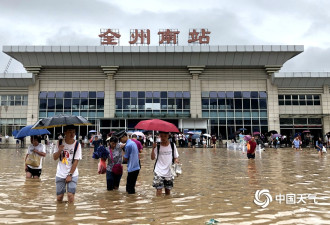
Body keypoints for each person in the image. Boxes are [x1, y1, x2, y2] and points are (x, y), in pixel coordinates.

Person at [53, 125, 82, 203]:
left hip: (73, 173)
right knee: (59, 197)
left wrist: (70, 174)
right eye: (70, 132)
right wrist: (59, 150)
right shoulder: (59, 142)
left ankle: (70, 214)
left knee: (70, 196)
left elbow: (76, 161)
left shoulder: (77, 145)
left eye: (74, 132)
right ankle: (60, 213)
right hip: (60, 173)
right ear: (65, 132)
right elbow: (54, 158)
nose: (72, 134)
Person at [151, 131, 179, 196]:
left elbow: (175, 157)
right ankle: (158, 204)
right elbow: (152, 158)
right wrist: (153, 148)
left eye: (165, 136)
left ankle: (167, 205)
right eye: (161, 136)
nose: (163, 138)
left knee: (168, 191)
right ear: (159, 136)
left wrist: (176, 161)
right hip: (159, 171)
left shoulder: (172, 145)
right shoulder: (157, 146)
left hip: (169, 171)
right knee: (159, 190)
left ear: (168, 136)